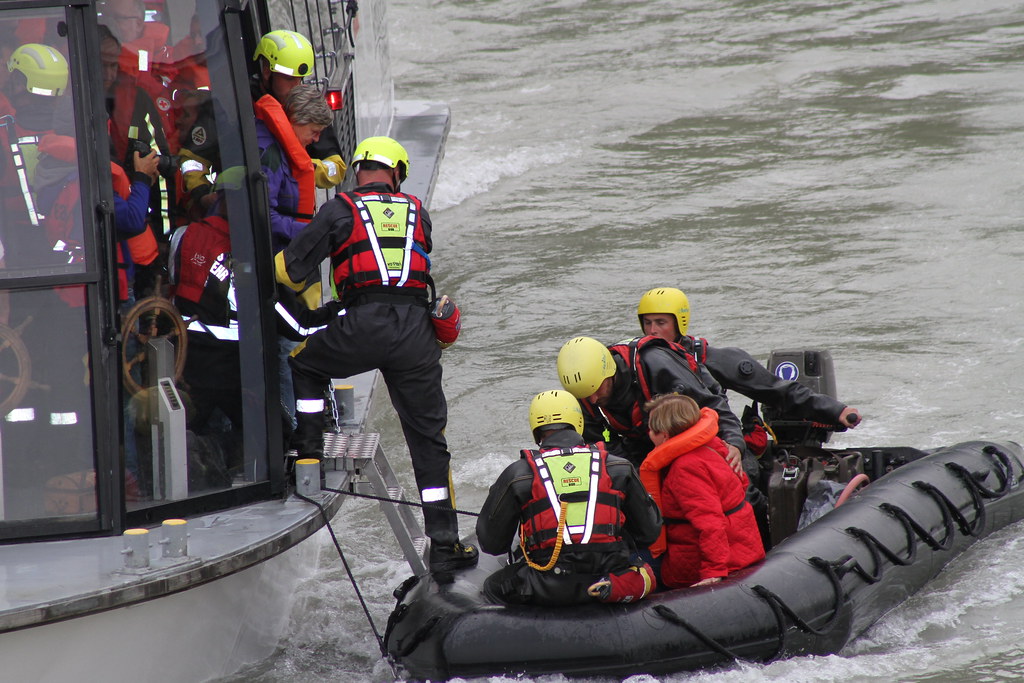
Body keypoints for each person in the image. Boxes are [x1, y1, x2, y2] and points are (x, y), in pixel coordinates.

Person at [275, 135, 476, 573]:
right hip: (417, 335)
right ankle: (444, 543)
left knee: (303, 362)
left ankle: (308, 453)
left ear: (357, 172)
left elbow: (290, 272)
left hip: (361, 327)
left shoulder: (339, 209)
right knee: (428, 440)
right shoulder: (418, 212)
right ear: (398, 174)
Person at [476, 390, 661, 605]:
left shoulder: (519, 473)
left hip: (546, 586)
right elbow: (649, 533)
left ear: (536, 429)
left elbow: (492, 544)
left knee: (491, 587)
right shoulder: (618, 466)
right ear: (578, 422)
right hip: (609, 580)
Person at [635, 287, 861, 457]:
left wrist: (835, 410)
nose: (653, 330)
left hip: (716, 447)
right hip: (654, 447)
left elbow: (775, 389)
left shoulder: (709, 359)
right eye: (647, 323)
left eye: (661, 322)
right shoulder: (637, 360)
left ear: (679, 322)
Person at [556, 335, 746, 470]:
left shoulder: (655, 364)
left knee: (744, 470)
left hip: (692, 432)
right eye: (586, 395)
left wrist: (734, 443)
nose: (593, 399)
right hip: (642, 443)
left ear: (609, 373)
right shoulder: (584, 395)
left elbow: (712, 405)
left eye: (597, 389)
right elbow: (607, 448)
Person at [640, 394, 765, 588]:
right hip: (743, 548)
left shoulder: (685, 468)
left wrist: (713, 572)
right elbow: (740, 485)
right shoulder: (715, 446)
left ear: (664, 434)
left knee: (635, 562)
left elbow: (710, 523)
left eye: (651, 429)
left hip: (704, 563)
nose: (648, 434)